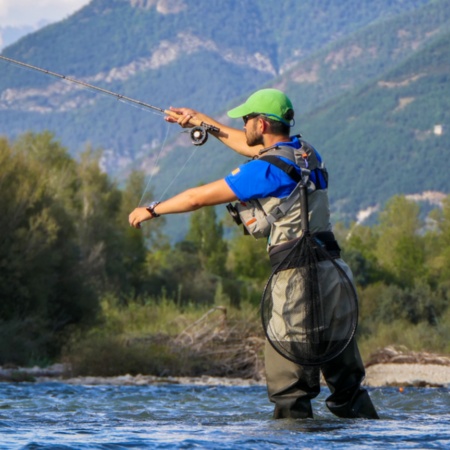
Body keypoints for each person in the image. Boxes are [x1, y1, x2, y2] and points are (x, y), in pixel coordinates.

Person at [128, 88, 379, 420]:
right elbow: (245, 143)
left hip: (296, 280)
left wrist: (152, 209)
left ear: (261, 125)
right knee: (347, 385)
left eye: (247, 119)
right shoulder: (306, 153)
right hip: (334, 273)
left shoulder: (263, 171)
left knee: (290, 390)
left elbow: (198, 198)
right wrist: (199, 120)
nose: (243, 125)